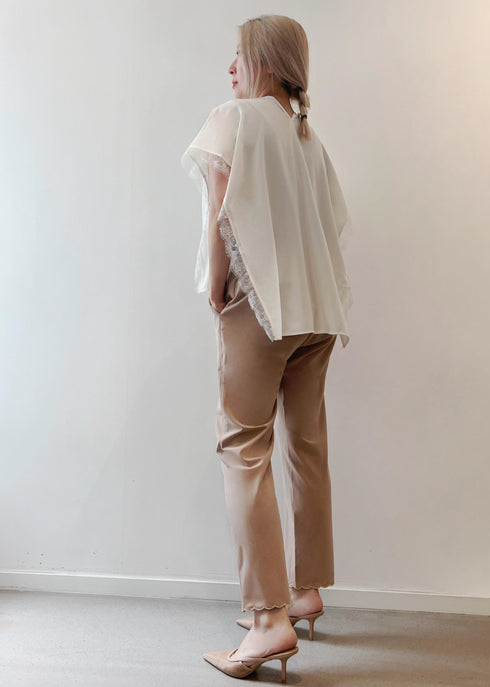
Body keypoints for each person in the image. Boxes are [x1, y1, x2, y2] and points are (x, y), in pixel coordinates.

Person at [181, 14, 352, 683]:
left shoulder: (236, 117)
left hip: (260, 306)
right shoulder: (309, 137)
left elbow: (222, 207)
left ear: (266, 60)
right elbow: (332, 222)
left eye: (240, 54)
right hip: (316, 313)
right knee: (306, 445)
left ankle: (267, 619)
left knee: (243, 447)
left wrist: (216, 283)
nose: (231, 67)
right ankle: (305, 592)